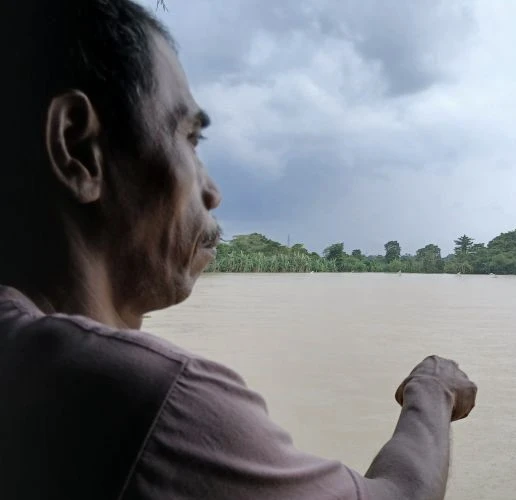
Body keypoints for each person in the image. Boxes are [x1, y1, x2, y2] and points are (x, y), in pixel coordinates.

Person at [0, 2, 477, 499]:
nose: (212, 192)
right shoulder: (149, 398)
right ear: (78, 148)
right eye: (190, 137)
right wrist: (432, 391)